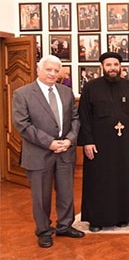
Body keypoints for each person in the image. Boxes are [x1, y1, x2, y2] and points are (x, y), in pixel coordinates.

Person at [12, 55, 84, 248]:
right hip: (39, 153)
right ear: (38, 70)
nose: (52, 73)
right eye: (48, 70)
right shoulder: (22, 93)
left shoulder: (67, 92)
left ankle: (65, 226)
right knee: (41, 196)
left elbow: (76, 119)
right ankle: (44, 231)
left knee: (66, 193)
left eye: (56, 70)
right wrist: (50, 143)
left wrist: (69, 139)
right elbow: (22, 125)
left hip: (65, 152)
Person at [77, 52, 129, 232]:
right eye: (108, 65)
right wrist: (87, 141)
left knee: (122, 178)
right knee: (98, 180)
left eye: (115, 64)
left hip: (123, 143)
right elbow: (84, 116)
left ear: (121, 67)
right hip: (98, 144)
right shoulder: (91, 87)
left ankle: (123, 215)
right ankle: (97, 219)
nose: (112, 68)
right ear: (102, 67)